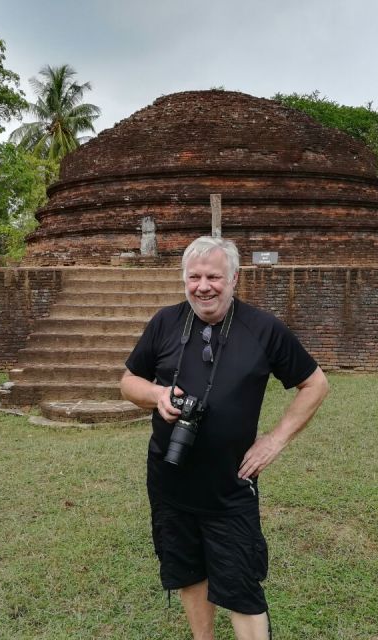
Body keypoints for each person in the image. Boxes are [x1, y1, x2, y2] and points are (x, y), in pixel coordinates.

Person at [120, 236, 328, 640]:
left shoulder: (263, 328)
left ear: (234, 278)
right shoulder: (165, 322)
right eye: (194, 277)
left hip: (230, 489)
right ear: (183, 279)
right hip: (170, 481)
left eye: (214, 276)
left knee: (240, 585)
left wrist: (276, 440)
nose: (203, 286)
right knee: (188, 570)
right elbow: (128, 382)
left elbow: (315, 384)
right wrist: (158, 395)